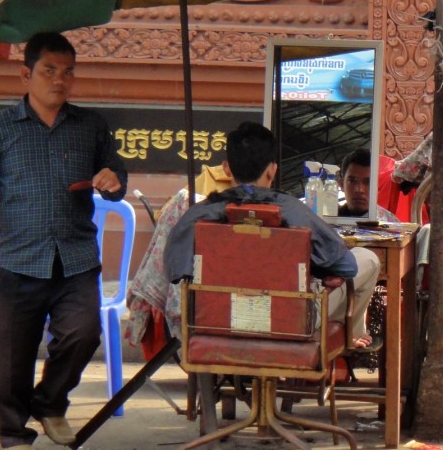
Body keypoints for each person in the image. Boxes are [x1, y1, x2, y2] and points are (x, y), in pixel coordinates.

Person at [0, 32, 128, 450]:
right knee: (10, 353)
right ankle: (12, 433)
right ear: (26, 74)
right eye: (48, 71)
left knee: (84, 333)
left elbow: (115, 171)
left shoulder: (90, 126)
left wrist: (114, 180)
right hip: (19, 257)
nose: (59, 81)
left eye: (67, 73)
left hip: (76, 256)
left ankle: (48, 403)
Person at [164, 122, 382, 352]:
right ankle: (354, 334)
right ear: (272, 170)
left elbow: (174, 269)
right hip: (290, 322)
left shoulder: (199, 215)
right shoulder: (294, 211)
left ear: (226, 168)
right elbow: (347, 267)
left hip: (218, 320)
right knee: (366, 258)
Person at [339, 147, 400, 222]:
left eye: (368, 182)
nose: (359, 189)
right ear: (341, 184)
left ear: (376, 186)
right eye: (352, 181)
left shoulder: (391, 224)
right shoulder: (328, 221)